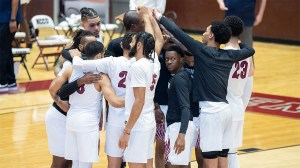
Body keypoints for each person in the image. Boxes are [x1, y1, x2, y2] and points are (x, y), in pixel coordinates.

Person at [153, 10, 255, 168]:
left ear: (212, 35)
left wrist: (159, 17)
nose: (204, 32)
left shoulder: (202, 50)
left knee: (210, 158)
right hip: (226, 111)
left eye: (207, 30)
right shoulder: (228, 55)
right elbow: (250, 50)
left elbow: (177, 32)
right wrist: (239, 44)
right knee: (223, 155)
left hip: (211, 113)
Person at [70, 32, 136, 168]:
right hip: (136, 119)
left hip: (115, 120)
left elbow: (80, 65)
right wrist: (140, 103)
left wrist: (75, 56)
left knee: (113, 164)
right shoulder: (144, 63)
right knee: (138, 164)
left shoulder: (111, 62)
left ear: (122, 45)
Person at [46, 32, 100, 168]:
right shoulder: (70, 65)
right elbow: (52, 89)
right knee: (61, 162)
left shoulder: (97, 65)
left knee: (73, 161)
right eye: (90, 44)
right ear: (81, 48)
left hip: (77, 118)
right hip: (60, 116)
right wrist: (60, 102)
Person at [118, 7, 163, 168]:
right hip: (148, 121)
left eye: (134, 40)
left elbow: (139, 101)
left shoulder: (137, 67)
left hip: (137, 124)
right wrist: (149, 17)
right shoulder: (154, 62)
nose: (130, 41)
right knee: (147, 164)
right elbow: (158, 40)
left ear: (138, 46)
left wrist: (127, 130)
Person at [223, 15, 251, 168]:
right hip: (238, 106)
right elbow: (249, 86)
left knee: (222, 153)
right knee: (232, 153)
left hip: (224, 108)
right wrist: (242, 106)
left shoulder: (224, 53)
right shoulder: (246, 54)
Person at [164, 44, 196, 167]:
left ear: (181, 59)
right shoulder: (180, 77)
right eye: (167, 59)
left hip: (179, 126)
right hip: (181, 126)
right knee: (183, 164)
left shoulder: (179, 79)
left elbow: (185, 107)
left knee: (172, 164)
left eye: (173, 59)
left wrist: (181, 134)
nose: (169, 62)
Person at [183, 51, 203, 168]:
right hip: (187, 114)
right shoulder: (180, 66)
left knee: (200, 151)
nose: (190, 64)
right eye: (187, 61)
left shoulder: (202, 65)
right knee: (186, 153)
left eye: (193, 61)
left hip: (200, 113)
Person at [0, 0, 21, 93]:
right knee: (6, 50)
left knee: (2, 51)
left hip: (7, 20)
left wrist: (13, 19)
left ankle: (2, 82)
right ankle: (11, 81)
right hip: (3, 18)